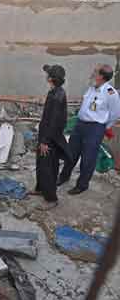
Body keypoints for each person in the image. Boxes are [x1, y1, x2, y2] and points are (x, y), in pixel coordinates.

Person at [58, 64, 120, 195]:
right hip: (80, 125)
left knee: (88, 158)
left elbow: (115, 114)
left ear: (101, 77)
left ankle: (82, 185)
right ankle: (64, 177)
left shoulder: (110, 93)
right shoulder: (92, 88)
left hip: (95, 128)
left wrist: (104, 127)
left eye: (95, 72)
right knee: (71, 153)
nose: (92, 73)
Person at [34, 65, 70, 210]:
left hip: (50, 139)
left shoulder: (57, 96)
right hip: (47, 135)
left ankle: (51, 199)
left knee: (48, 168)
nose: (46, 76)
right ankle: (40, 189)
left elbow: (55, 122)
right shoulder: (55, 92)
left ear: (51, 79)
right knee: (42, 165)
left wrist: (45, 141)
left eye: (48, 74)